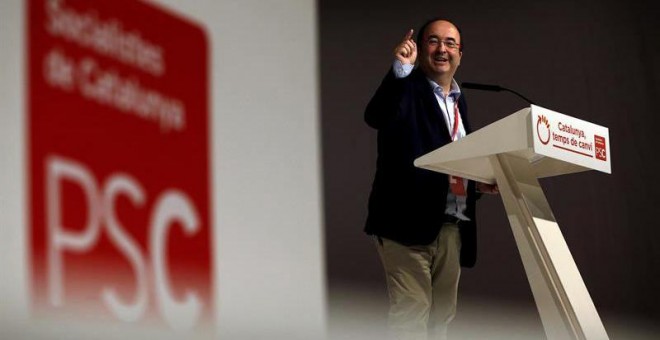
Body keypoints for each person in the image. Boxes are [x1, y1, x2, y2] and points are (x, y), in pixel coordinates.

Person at [364, 18, 498, 340]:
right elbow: (376, 116)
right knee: (412, 315)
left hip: (452, 225)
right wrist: (399, 70)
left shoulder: (458, 101)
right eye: (434, 41)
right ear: (421, 49)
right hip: (405, 224)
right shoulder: (406, 88)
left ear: (460, 54)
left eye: (450, 43)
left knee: (440, 320)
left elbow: (451, 161)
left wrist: (477, 181)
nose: (442, 49)